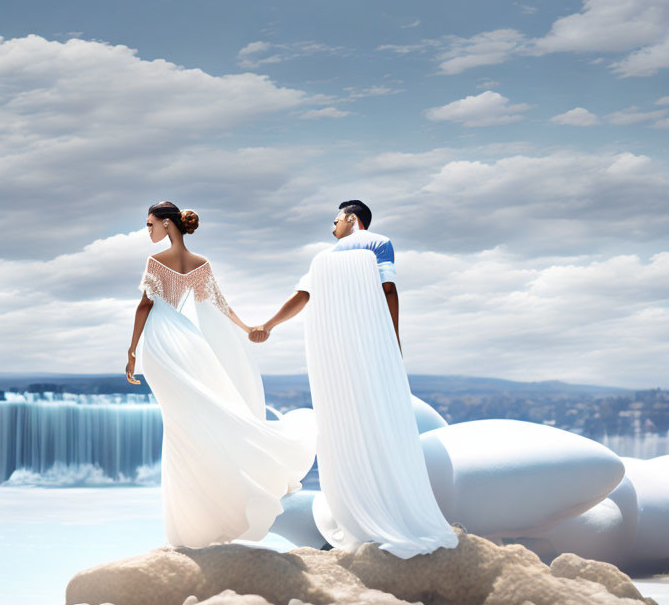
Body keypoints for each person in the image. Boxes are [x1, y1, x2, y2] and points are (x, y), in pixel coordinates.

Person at [250, 200, 458, 558]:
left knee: (345, 422)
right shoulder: (379, 245)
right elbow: (388, 289)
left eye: (335, 221)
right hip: (369, 347)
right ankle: (389, 504)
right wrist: (394, 339)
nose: (333, 229)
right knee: (380, 417)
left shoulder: (327, 257)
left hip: (332, 353)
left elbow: (302, 298)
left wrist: (267, 325)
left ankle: (355, 508)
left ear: (351, 218)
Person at [125, 201, 316, 548]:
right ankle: (208, 513)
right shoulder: (201, 265)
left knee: (180, 427)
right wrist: (248, 329)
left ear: (168, 225)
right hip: (188, 340)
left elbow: (145, 305)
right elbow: (220, 305)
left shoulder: (155, 262)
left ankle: (191, 525)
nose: (148, 230)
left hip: (162, 342)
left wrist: (132, 350)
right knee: (189, 425)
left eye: (150, 224)